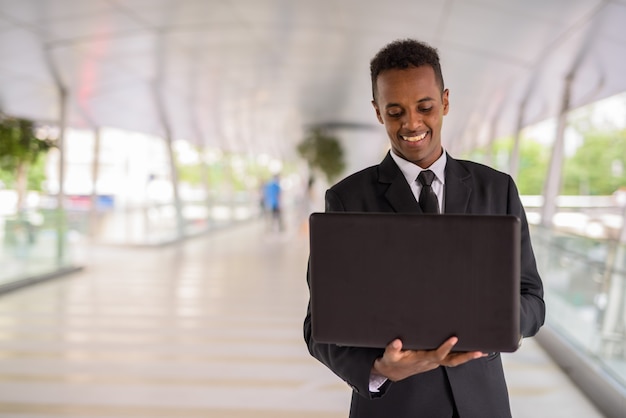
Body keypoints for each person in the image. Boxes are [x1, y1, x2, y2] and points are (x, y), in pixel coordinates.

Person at [303, 39, 545, 418]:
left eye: (425, 107)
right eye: (395, 111)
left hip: (482, 404)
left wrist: (495, 324)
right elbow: (319, 325)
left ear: (445, 102)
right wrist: (380, 369)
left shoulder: (497, 189)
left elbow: (531, 296)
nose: (411, 124)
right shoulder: (348, 198)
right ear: (378, 112)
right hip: (396, 405)